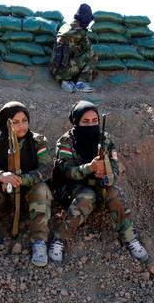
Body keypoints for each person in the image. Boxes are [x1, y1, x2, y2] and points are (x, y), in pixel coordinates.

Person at [48, 101, 148, 263]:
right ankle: (59, 238)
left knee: (115, 192)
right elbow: (67, 172)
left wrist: (107, 175)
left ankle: (130, 238)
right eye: (85, 122)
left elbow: (115, 169)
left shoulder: (105, 140)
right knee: (87, 196)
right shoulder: (66, 142)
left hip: (97, 185)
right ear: (76, 122)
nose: (91, 125)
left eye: (94, 121)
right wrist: (90, 168)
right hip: (68, 189)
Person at [0, 101, 53, 266]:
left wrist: (21, 180)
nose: (21, 125)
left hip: (28, 197)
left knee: (42, 189)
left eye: (24, 120)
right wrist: (1, 176)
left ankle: (39, 241)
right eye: (15, 122)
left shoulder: (38, 141)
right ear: (5, 123)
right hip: (2, 195)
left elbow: (47, 168)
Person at [49, 3, 98, 93]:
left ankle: (64, 80)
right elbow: (89, 50)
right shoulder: (81, 32)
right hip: (65, 71)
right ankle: (81, 83)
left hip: (53, 70)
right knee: (93, 55)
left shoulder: (64, 26)